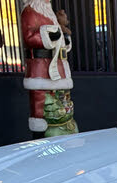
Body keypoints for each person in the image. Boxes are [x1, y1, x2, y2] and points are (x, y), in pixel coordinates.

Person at [21, 0, 78, 137]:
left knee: (63, 97)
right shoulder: (29, 12)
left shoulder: (49, 12)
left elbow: (59, 37)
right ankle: (41, 134)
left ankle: (65, 125)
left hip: (58, 66)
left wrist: (63, 38)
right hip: (40, 69)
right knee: (40, 104)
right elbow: (29, 37)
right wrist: (49, 36)